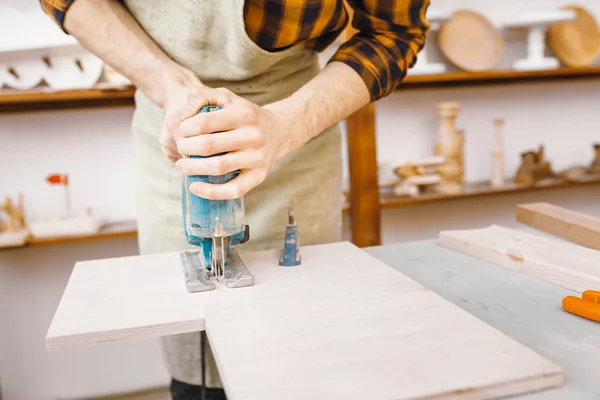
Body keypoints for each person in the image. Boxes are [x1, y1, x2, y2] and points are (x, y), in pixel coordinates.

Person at [41, 1, 430, 399]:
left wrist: (284, 126)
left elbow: (393, 33)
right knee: (198, 365)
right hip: (171, 115)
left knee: (296, 359)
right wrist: (171, 87)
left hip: (292, 114)